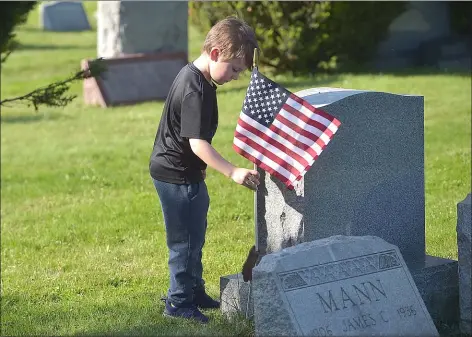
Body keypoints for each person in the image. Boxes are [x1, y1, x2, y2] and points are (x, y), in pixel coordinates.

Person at [149, 17, 261, 324]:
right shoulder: (194, 88)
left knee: (194, 235)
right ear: (214, 54)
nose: (237, 76)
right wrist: (231, 171)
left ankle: (193, 291)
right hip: (176, 175)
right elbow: (197, 144)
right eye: (235, 68)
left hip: (185, 173)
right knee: (184, 241)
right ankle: (178, 303)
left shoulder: (199, 78)